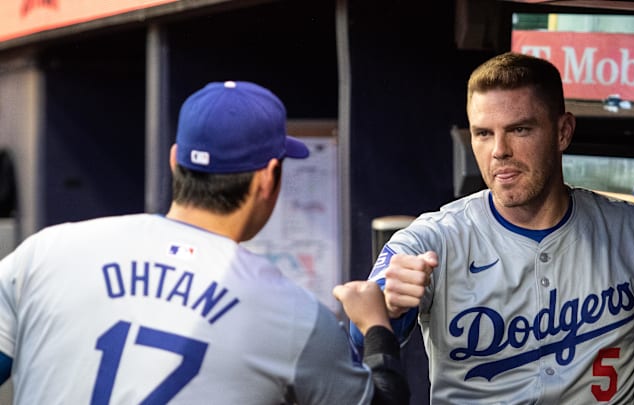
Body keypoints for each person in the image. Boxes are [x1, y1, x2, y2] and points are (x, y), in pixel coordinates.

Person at [0, 81, 409, 404]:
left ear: (176, 160)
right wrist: (375, 326)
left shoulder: (48, 250)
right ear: (268, 177)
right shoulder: (295, 315)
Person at [351, 52, 634, 404]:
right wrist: (388, 311)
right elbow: (358, 344)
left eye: (520, 129)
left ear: (563, 132)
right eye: (483, 133)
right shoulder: (432, 239)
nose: (499, 150)